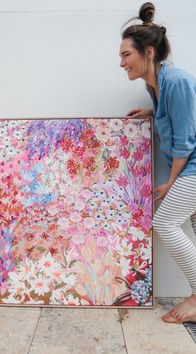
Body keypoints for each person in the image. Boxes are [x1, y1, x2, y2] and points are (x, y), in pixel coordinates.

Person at [119, 2, 196, 323]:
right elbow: (178, 118)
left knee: (164, 223)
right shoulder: (156, 85)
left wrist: (172, 181)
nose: (121, 62)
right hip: (190, 166)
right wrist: (152, 112)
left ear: (148, 52)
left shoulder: (176, 81)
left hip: (191, 167)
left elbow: (186, 140)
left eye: (126, 55)